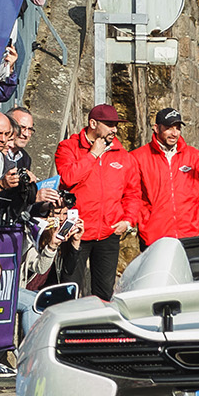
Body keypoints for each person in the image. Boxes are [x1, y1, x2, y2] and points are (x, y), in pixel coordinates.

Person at [53, 103, 140, 300]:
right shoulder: (68, 147)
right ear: (93, 123)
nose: (114, 129)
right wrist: (93, 154)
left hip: (109, 233)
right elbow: (67, 178)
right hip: (76, 232)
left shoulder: (123, 155)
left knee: (104, 294)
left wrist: (128, 221)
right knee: (69, 290)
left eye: (115, 124)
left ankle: (99, 331)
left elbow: (133, 193)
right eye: (109, 124)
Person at [134, 107, 199, 247]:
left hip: (190, 235)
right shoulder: (138, 157)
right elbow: (132, 195)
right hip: (155, 238)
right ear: (156, 128)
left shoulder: (193, 155)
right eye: (169, 128)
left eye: (177, 128)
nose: (174, 133)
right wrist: (142, 223)